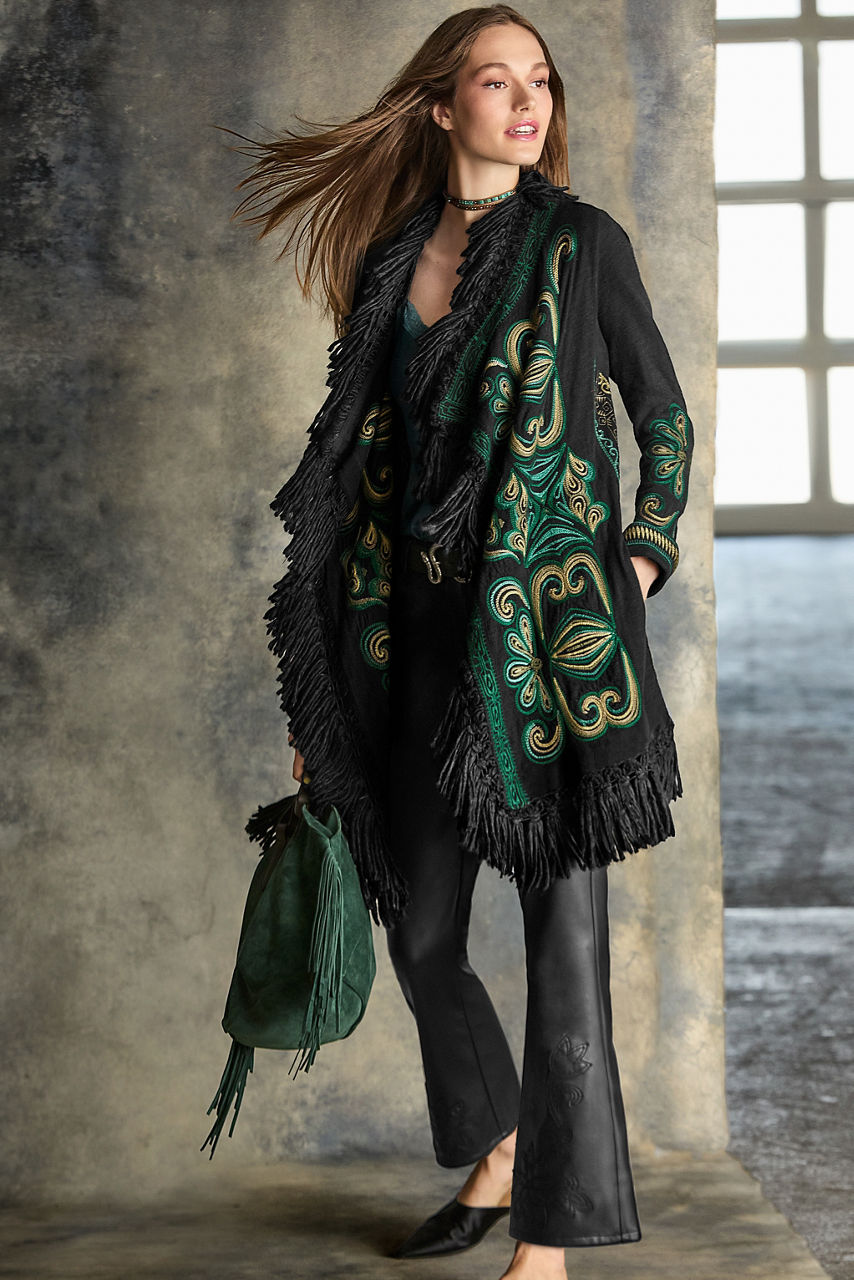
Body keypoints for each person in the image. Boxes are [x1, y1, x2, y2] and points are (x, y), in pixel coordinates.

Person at [231, 6, 694, 1278]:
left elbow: (661, 416)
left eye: (538, 79)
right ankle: (498, 1142)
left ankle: (547, 1240)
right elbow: (358, 490)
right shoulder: (392, 263)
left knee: (565, 955)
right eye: (497, 81)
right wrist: (328, 698)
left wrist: (639, 555)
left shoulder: (580, 243)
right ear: (442, 106)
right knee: (423, 935)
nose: (527, 100)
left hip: (552, 651)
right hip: (419, 646)